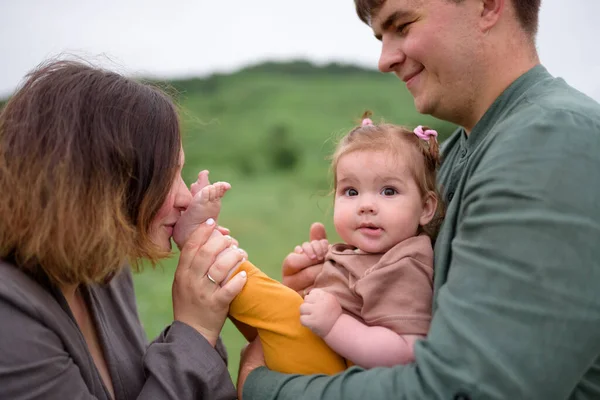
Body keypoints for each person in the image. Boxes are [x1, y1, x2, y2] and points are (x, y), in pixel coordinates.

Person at [238, 0, 600, 399]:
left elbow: (465, 389)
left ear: (488, 6)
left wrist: (264, 387)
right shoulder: (458, 153)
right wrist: (336, 284)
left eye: (403, 25)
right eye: (381, 36)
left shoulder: (552, 142)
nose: (384, 59)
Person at [0, 59, 249, 399]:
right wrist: (195, 331)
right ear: (102, 184)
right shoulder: (7, 314)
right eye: (167, 175)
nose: (183, 197)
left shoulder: (103, 271)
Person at [174, 113, 444, 373]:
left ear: (425, 207)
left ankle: (199, 240)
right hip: (321, 356)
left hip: (337, 372)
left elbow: (405, 351)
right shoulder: (371, 253)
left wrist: (335, 324)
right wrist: (323, 263)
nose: (366, 205)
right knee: (247, 302)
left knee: (271, 303)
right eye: (351, 191)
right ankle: (206, 248)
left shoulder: (405, 265)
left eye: (388, 191)